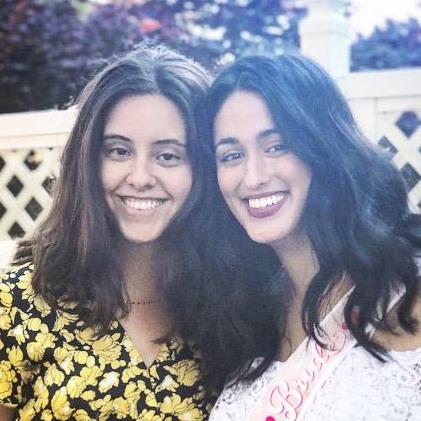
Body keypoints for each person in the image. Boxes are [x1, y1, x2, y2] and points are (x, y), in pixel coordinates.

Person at [0, 45, 216, 420]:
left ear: (203, 169)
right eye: (118, 151)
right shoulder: (18, 303)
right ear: (87, 160)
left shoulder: (231, 313)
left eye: (168, 155)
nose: (140, 177)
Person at [203, 54, 421, 420]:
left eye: (277, 146)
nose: (253, 177)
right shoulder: (244, 314)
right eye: (232, 155)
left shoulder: (406, 288)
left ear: (324, 146)